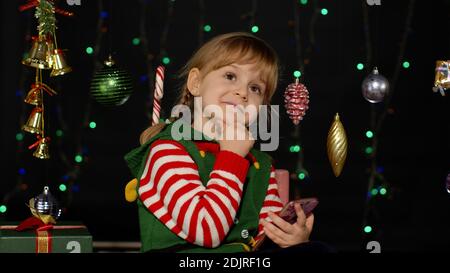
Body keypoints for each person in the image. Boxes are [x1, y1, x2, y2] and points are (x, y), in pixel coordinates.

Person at [124, 32, 316, 253]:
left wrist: (291, 239)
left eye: (255, 88)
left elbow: (265, 240)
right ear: (196, 83)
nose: (243, 92)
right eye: (230, 76)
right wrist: (232, 158)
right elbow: (207, 231)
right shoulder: (167, 150)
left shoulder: (261, 165)